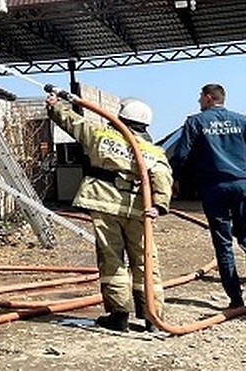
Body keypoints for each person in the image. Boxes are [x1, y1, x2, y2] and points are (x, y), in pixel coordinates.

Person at [46, 89, 172, 332]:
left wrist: (55, 105)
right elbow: (162, 179)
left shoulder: (101, 136)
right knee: (146, 262)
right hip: (140, 210)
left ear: (121, 118)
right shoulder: (154, 151)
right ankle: (152, 317)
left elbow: (73, 122)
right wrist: (158, 206)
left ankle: (119, 315)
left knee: (112, 259)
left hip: (104, 204)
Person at [168, 84, 246, 309]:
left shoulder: (196, 122)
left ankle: (235, 298)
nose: (199, 100)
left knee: (223, 241)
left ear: (209, 98)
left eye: (200, 97)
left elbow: (180, 154)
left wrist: (174, 179)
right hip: (241, 184)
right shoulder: (242, 121)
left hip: (213, 187)